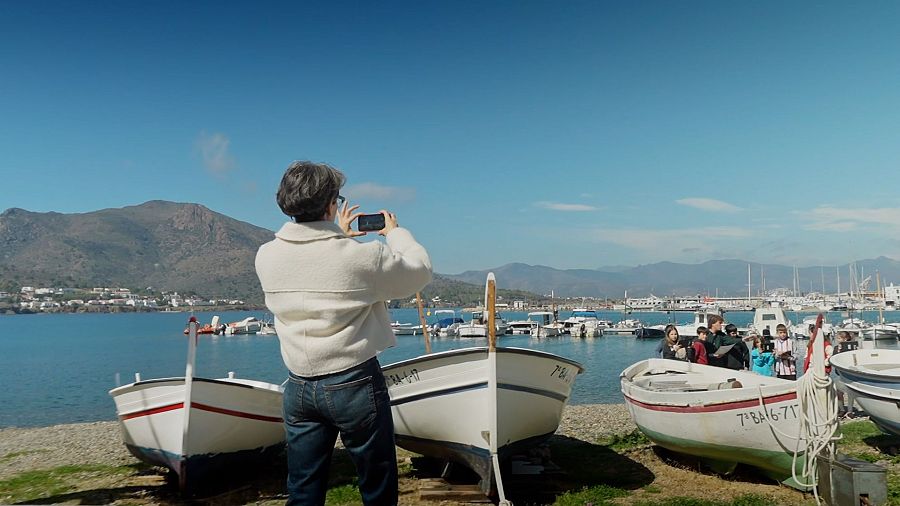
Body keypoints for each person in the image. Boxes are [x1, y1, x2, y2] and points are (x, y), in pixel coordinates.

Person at [255, 161, 432, 506]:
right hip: (354, 383)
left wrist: (339, 235)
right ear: (331, 203)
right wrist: (395, 232)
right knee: (376, 483)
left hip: (299, 385)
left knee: (303, 488)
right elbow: (419, 270)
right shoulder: (361, 258)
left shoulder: (266, 256)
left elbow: (315, 269)